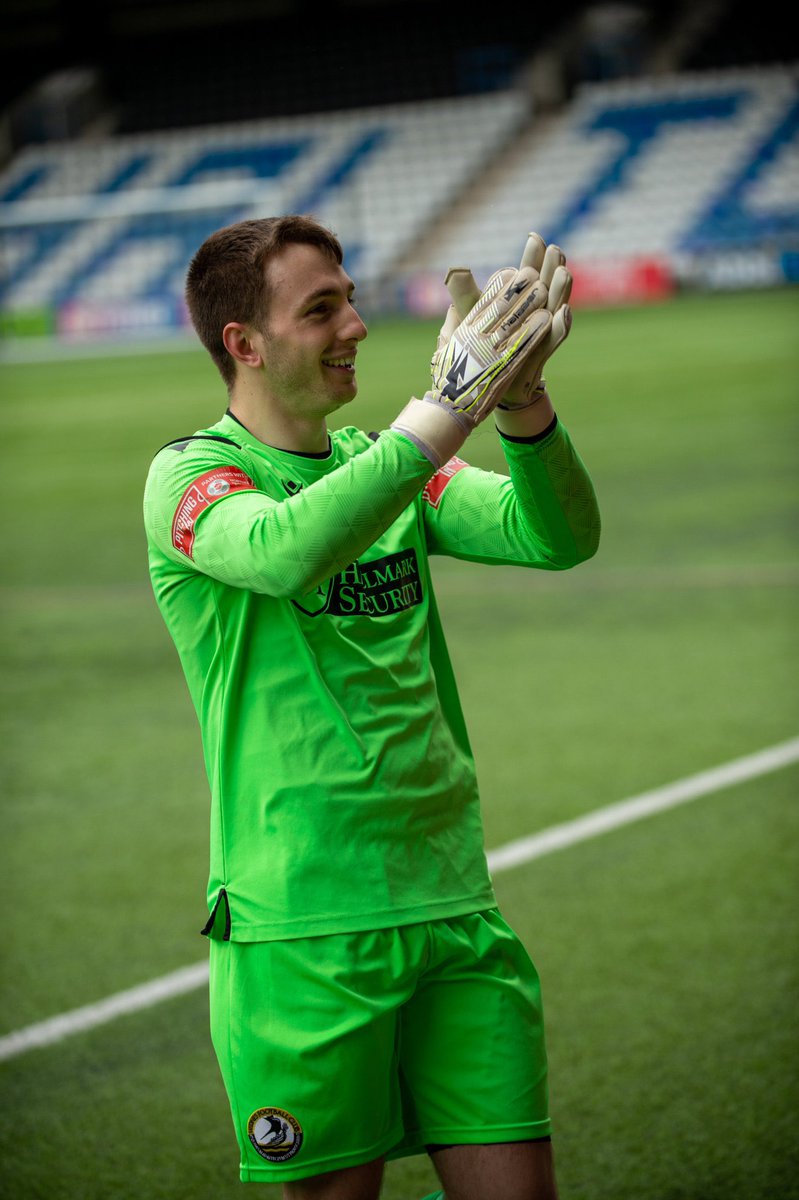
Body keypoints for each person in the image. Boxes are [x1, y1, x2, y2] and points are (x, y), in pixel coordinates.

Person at [143, 213, 600, 1200]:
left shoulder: (387, 463)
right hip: (302, 929)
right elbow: (284, 550)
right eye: (321, 309)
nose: (354, 324)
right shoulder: (192, 476)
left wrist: (518, 406)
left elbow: (552, 534)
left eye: (349, 299)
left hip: (454, 909)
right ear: (245, 344)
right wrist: (443, 408)